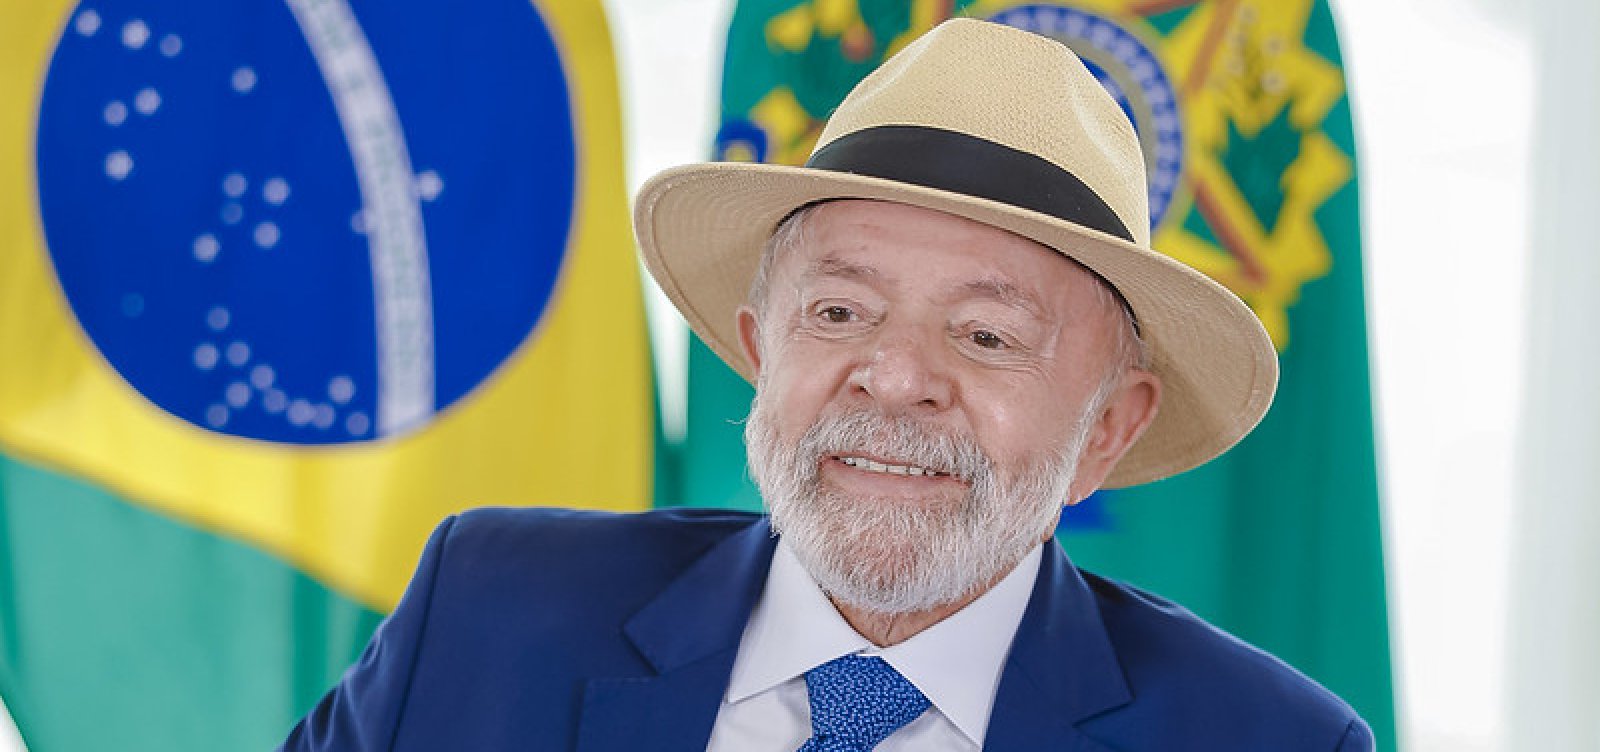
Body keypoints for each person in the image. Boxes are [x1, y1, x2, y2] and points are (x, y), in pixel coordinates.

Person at [281, 18, 1372, 751]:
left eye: (986, 334)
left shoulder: (1266, 740)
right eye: (840, 312)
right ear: (761, 351)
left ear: (1109, 428)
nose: (894, 379)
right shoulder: (485, 614)